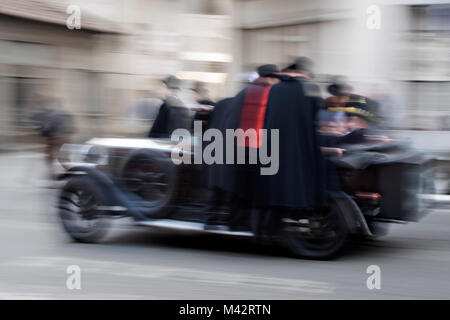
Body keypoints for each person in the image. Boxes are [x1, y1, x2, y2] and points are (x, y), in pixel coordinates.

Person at [255, 57, 327, 243]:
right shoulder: (308, 90)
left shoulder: (274, 90)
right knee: (291, 192)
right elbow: (315, 121)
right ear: (300, 73)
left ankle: (262, 234)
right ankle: (277, 231)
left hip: (273, 149)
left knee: (271, 193)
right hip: (297, 151)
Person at [203, 64, 280, 231]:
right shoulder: (268, 94)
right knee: (243, 187)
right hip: (251, 147)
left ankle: (217, 220)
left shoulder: (243, 94)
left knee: (230, 184)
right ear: (271, 78)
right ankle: (236, 222)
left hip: (230, 145)